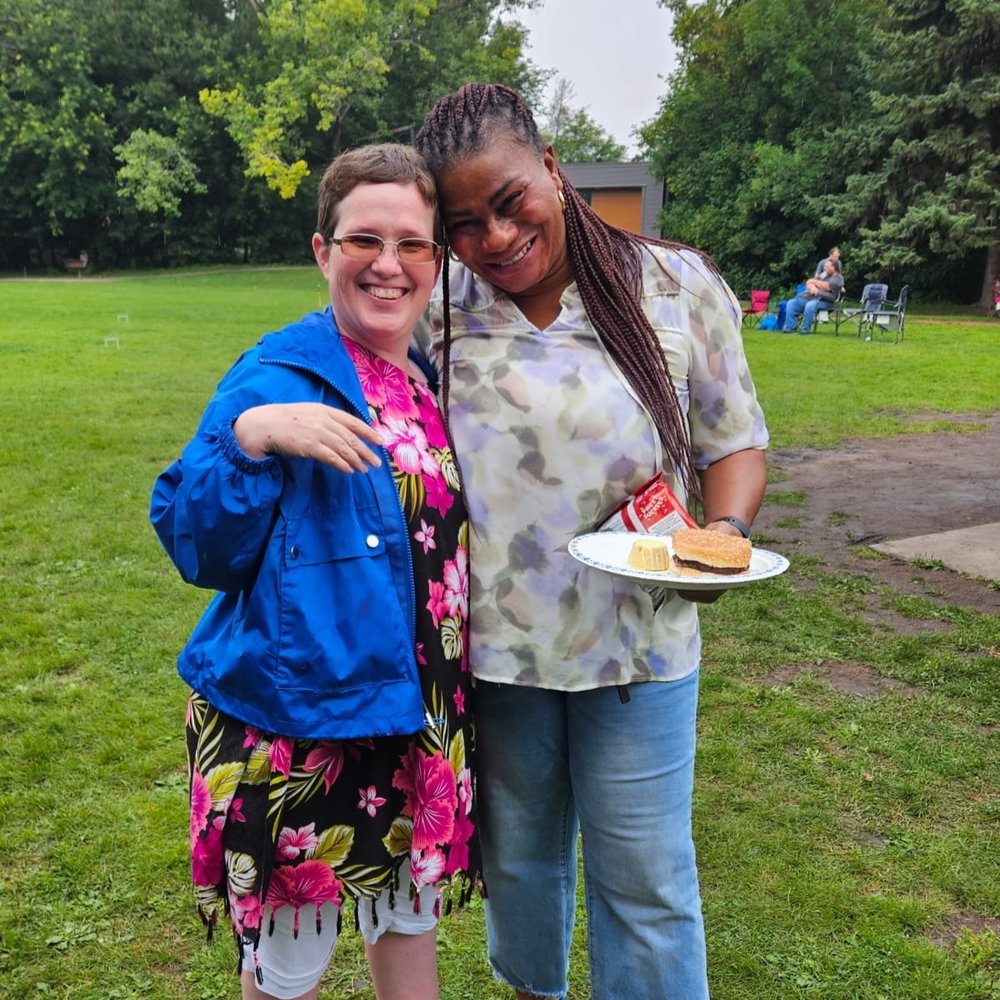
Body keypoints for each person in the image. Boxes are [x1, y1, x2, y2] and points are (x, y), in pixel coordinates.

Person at [414, 84, 768, 1000]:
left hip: (638, 648)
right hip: (497, 659)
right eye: (462, 222)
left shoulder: (674, 285)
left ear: (553, 169)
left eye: (508, 201)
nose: (493, 238)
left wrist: (721, 536)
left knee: (646, 885)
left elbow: (734, 443)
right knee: (522, 872)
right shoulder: (440, 306)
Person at [150, 144, 478, 1000]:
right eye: (362, 239)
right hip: (305, 721)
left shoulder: (428, 376)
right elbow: (197, 544)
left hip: (418, 710)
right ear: (322, 251)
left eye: (411, 244)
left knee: (410, 921)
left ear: (435, 261)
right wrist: (250, 439)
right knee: (291, 964)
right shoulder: (278, 374)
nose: (387, 264)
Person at [783, 257, 844, 334]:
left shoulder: (838, 278)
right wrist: (812, 286)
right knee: (791, 303)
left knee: (810, 305)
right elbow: (809, 281)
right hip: (811, 297)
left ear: (833, 268)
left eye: (826, 267)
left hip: (826, 301)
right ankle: (790, 328)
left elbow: (828, 286)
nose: (824, 268)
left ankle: (805, 330)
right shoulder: (824, 274)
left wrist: (815, 286)